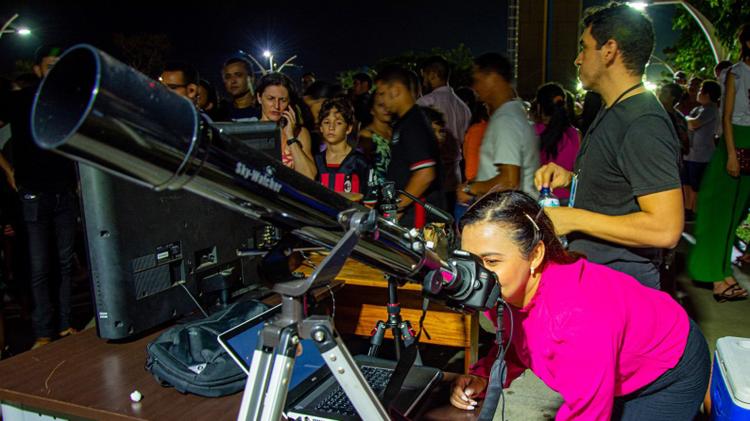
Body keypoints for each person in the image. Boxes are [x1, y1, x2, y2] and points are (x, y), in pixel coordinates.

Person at [447, 190, 710, 420]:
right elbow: (519, 341)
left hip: (670, 369)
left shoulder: (574, 321)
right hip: (617, 358)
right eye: (471, 261)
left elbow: (588, 414)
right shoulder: (503, 290)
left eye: (491, 261)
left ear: (535, 254)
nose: (478, 275)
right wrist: (485, 376)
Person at [535, 3, 683, 289]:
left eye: (584, 47)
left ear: (609, 50)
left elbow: (666, 228)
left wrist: (573, 218)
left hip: (622, 288)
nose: (578, 59)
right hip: (597, 278)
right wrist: (573, 178)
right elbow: (622, 183)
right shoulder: (614, 108)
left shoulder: (643, 122)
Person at [7, 45, 79, 348]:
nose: (54, 71)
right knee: (40, 265)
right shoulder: (21, 100)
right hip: (34, 193)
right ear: (38, 69)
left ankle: (65, 324)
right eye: (50, 66)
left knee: (65, 263)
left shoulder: (69, 101)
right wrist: (10, 173)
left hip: (63, 192)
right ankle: (42, 331)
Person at [687, 24, 750, 302]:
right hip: (734, 144)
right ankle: (716, 277)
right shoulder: (736, 72)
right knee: (719, 215)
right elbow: (726, 118)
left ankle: (724, 272)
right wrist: (732, 153)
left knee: (734, 217)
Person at [457, 53, 539, 203]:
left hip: (507, 214)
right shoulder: (516, 112)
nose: (474, 87)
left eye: (477, 80)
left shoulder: (505, 119)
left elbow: (509, 181)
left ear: (493, 78)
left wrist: (471, 188)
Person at [375, 66, 443, 228]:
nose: (381, 100)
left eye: (382, 93)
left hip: (417, 218)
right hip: (411, 215)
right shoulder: (404, 123)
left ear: (396, 90)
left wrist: (397, 208)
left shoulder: (414, 123)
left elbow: (425, 173)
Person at [418, 56, 472, 214]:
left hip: (433, 179)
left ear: (433, 74)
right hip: (455, 177)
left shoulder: (425, 102)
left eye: (424, 76)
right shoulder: (463, 106)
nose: (423, 81)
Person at [256, 72, 316, 180]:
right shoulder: (248, 131)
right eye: (270, 98)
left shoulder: (300, 133)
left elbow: (310, 176)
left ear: (289, 102)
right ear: (259, 98)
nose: (276, 106)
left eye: (283, 100)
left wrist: (290, 137)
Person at [314, 98, 371, 200]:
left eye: (338, 123)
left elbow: (369, 197)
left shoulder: (359, 162)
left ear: (348, 128)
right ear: (321, 127)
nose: (331, 127)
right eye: (326, 122)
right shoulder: (316, 161)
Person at [533, 82, 580, 203]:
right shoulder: (576, 134)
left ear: (539, 107)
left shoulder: (534, 132)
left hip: (544, 199)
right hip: (570, 198)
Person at [682, 80, 721, 217]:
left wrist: (685, 119)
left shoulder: (710, 109)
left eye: (700, 90)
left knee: (696, 185)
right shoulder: (697, 109)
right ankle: (687, 209)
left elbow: (694, 123)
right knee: (686, 182)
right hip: (689, 154)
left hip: (701, 156)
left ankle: (695, 210)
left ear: (707, 94)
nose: (698, 93)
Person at [358, 94, 392, 191]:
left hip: (399, 188)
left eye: (389, 104)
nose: (386, 109)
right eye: (381, 105)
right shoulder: (367, 135)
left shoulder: (397, 131)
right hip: (377, 190)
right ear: (372, 110)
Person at [222, 57, 260, 121]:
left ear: (251, 79)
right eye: (228, 77)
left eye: (238, 75)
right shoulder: (221, 114)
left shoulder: (264, 109)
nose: (233, 81)